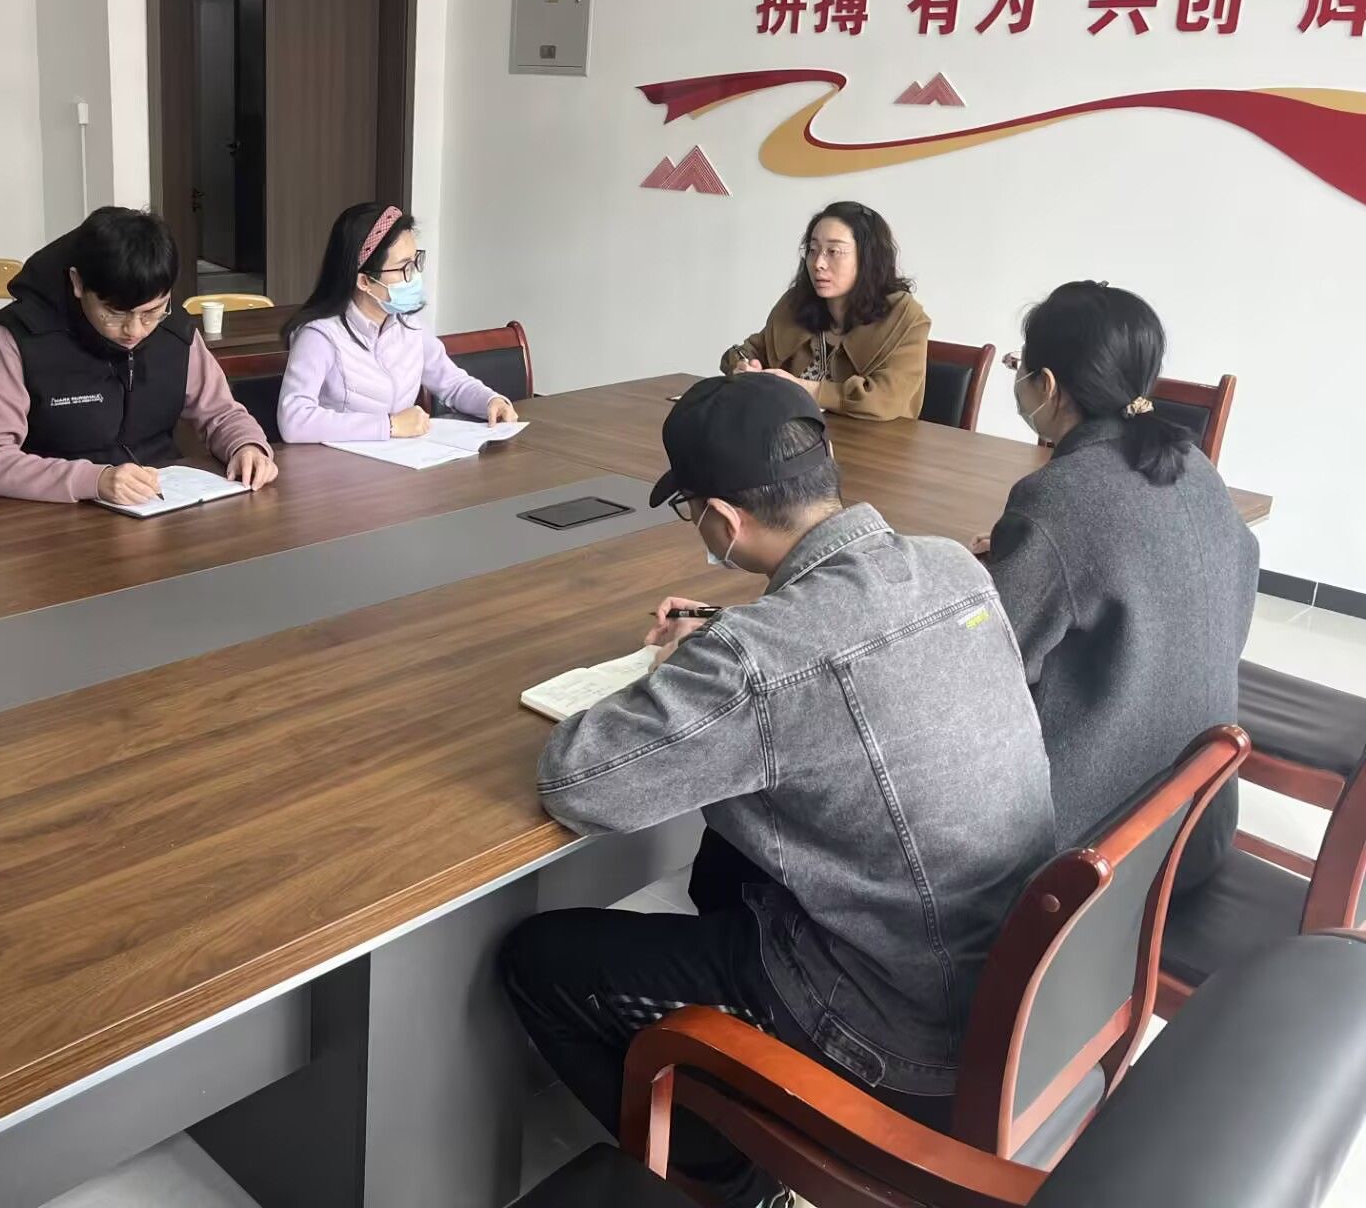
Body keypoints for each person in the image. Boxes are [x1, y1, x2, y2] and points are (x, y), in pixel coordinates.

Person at [498, 374, 1055, 1207]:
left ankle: (730, 1180)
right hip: (998, 983)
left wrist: (681, 666)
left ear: (722, 521)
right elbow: (834, 653)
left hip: (890, 1027)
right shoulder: (952, 566)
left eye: (690, 514)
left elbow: (577, 781)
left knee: (539, 960)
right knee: (724, 865)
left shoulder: (759, 661)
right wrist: (725, 637)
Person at [978, 282, 1258, 888]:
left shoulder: (1057, 498)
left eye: (1019, 367)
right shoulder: (1197, 467)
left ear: (1046, 386)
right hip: (1199, 825)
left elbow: (988, 665)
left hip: (1094, 865)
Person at [0, 206, 277, 504]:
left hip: (159, 503)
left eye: (152, 311)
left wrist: (246, 445)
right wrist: (94, 480)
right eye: (115, 313)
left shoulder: (175, 333)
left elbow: (222, 414)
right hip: (56, 514)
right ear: (77, 283)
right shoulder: (20, 339)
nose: (135, 330)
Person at [276, 202, 519, 443]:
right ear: (364, 281)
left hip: (402, 459)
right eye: (404, 268)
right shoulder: (320, 335)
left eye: (415, 262)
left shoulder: (408, 326)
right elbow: (294, 420)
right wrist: (389, 425)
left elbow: (452, 383)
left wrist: (490, 401)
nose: (414, 277)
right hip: (340, 463)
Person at [720, 201, 929, 421]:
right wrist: (743, 367)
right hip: (790, 434)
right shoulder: (795, 303)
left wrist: (800, 388)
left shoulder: (905, 318)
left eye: (833, 251)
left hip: (869, 440)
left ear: (868, 258)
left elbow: (885, 399)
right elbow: (747, 351)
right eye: (813, 250)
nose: (818, 263)